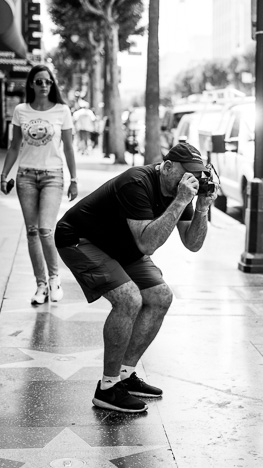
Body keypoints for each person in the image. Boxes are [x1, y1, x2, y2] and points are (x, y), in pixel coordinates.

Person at [54, 142, 216, 413]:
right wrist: (180, 201)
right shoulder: (137, 182)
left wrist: (201, 208)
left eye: (196, 174)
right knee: (129, 298)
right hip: (80, 238)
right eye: (186, 172)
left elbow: (193, 244)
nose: (192, 179)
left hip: (122, 247)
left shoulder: (183, 190)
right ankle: (107, 388)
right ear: (166, 167)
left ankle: (125, 376)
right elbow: (147, 245)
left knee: (160, 296)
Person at [0, 64, 78, 305]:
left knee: (45, 229)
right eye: (39, 81)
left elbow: (68, 147)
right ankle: (41, 285)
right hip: (25, 177)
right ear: (31, 84)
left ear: (51, 84)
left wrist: (74, 179)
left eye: (48, 81)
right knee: (32, 231)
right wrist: (3, 175)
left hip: (53, 176)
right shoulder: (21, 110)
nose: (44, 85)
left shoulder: (62, 111)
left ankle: (55, 278)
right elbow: (14, 147)